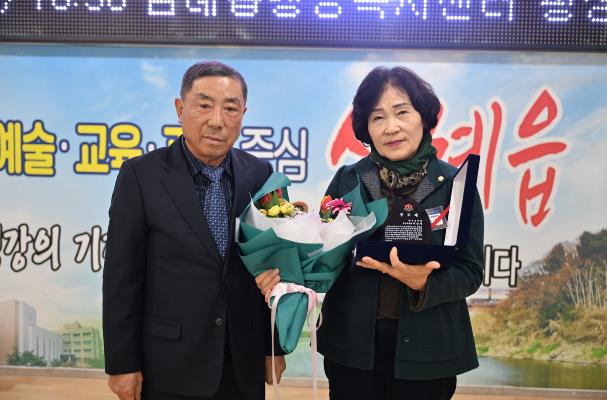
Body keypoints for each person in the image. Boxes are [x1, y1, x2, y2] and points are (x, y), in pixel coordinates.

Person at [257, 66, 483, 400]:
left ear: (423, 116)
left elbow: (471, 270)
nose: (391, 127)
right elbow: (323, 255)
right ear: (367, 127)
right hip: (352, 349)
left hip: (428, 351)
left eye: (402, 112)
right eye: (377, 117)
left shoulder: (454, 184)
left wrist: (424, 284)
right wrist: (294, 254)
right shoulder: (349, 179)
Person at [103, 61, 286, 400]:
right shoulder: (141, 176)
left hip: (242, 360)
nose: (217, 120)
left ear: (243, 114)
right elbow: (121, 279)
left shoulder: (260, 174)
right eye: (204, 105)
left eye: (230, 108)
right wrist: (122, 363)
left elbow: (273, 267)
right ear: (180, 108)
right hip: (169, 362)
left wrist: (272, 346)